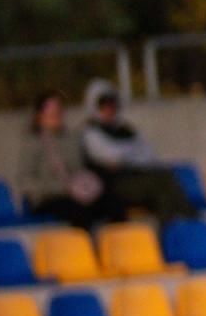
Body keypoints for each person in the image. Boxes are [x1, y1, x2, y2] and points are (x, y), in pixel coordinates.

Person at [79, 79, 197, 225]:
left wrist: (125, 158)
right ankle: (190, 221)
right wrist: (129, 155)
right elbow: (111, 155)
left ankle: (179, 229)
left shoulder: (125, 130)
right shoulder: (90, 132)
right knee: (161, 181)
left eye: (112, 103)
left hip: (137, 177)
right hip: (114, 185)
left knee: (164, 184)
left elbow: (148, 154)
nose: (108, 109)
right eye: (103, 104)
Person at [15, 89, 124, 228]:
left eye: (58, 108)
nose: (56, 113)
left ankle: (117, 244)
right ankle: (83, 247)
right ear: (39, 114)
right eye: (51, 109)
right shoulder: (33, 143)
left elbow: (81, 167)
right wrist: (61, 187)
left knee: (113, 203)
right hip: (49, 198)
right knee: (80, 211)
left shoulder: (71, 138)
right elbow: (26, 181)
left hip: (78, 192)